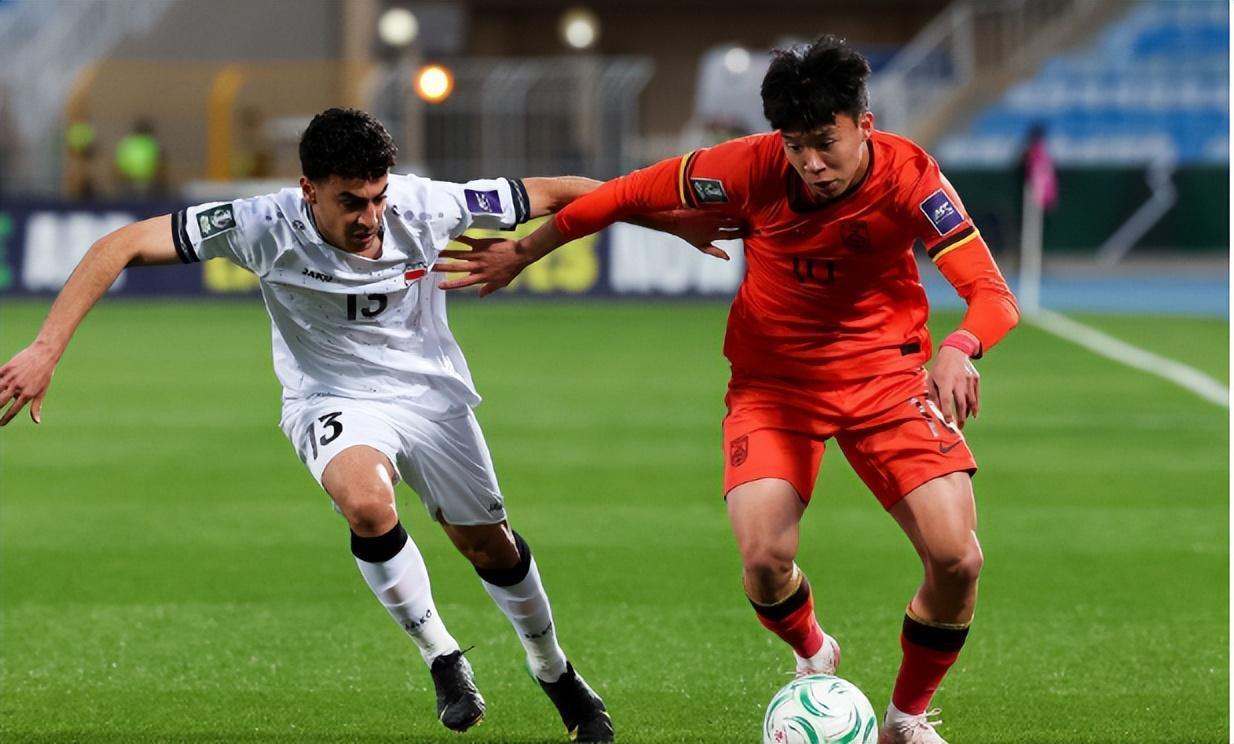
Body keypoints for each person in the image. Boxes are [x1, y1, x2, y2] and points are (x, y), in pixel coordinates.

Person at [0, 107, 739, 742]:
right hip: (330, 396)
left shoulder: (428, 205)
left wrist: (667, 221)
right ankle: (443, 656)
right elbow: (118, 244)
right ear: (308, 190)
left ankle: (554, 670)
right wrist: (45, 347)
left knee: (488, 545)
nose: (371, 217)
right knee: (365, 502)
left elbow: (562, 192)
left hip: (430, 396)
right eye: (351, 201)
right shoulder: (259, 225)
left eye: (378, 197)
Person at [437, 36, 1020, 744]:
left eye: (826, 144)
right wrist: (524, 251)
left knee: (958, 559)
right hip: (774, 387)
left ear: (864, 126)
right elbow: (619, 195)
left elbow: (992, 294)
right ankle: (814, 653)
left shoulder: (912, 179)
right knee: (765, 562)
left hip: (888, 381)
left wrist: (960, 347)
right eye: (796, 146)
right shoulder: (746, 167)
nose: (811, 163)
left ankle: (904, 718)